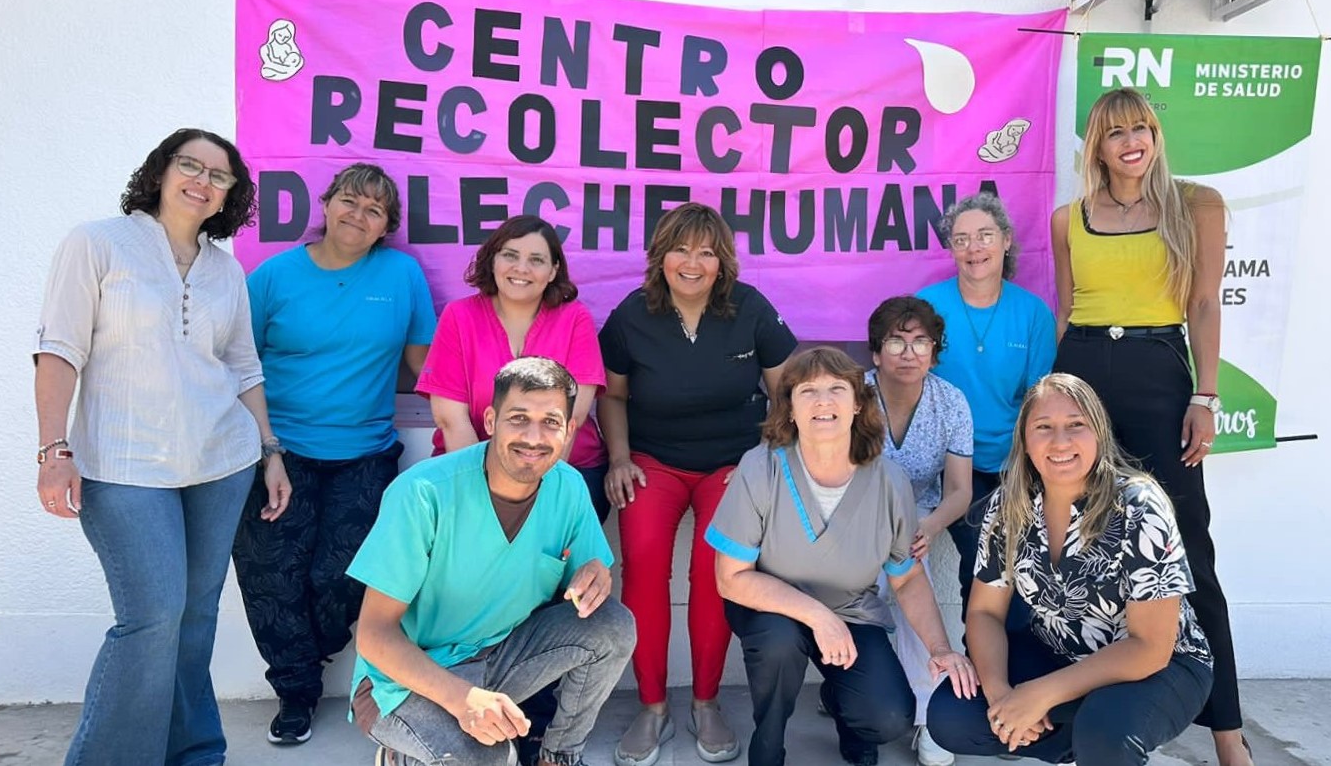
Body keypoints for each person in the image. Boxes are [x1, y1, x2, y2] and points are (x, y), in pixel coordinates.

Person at [33, 128, 291, 765]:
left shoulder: (225, 269)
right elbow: (59, 350)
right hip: (123, 467)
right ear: (160, 170)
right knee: (150, 618)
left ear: (231, 194)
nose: (202, 182)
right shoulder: (98, 243)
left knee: (194, 619)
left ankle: (196, 753)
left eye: (219, 176)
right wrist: (53, 449)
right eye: (190, 165)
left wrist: (270, 450)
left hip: (219, 463)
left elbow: (243, 365)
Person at [1050, 87, 1246, 765]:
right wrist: (1050, 403)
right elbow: (1065, 309)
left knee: (1189, 547)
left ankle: (1228, 730)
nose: (1132, 140)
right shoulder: (1066, 218)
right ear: (1096, 147)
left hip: (1159, 372)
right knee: (1087, 542)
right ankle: (1093, 709)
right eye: (1115, 131)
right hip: (1082, 377)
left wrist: (1207, 395)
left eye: (1143, 127)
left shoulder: (1197, 205)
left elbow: (1203, 303)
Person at [231, 163, 436, 746]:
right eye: (349, 201)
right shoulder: (274, 276)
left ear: (385, 228)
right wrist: (266, 447)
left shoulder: (400, 274)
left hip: (365, 453)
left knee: (344, 576)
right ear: (326, 205)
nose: (358, 215)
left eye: (374, 211)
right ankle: (295, 691)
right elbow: (237, 364)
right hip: (279, 450)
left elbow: (425, 364)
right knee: (272, 576)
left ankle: (308, 656)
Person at [348, 357, 635, 766]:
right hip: (402, 682)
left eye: (551, 422)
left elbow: (589, 575)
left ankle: (558, 756)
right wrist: (463, 700)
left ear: (569, 430)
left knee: (612, 624)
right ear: (490, 420)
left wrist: (596, 576)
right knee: (490, 758)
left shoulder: (567, 487)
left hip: (498, 658)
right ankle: (402, 753)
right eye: (518, 418)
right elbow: (374, 636)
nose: (534, 437)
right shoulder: (422, 493)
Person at [708, 348, 977, 766]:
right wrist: (819, 616)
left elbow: (906, 577)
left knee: (889, 718)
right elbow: (732, 578)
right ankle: (769, 740)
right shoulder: (761, 468)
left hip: (851, 610)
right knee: (779, 643)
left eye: (837, 389)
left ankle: (844, 709)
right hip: (772, 607)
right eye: (808, 390)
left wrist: (940, 648)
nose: (823, 401)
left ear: (857, 404)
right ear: (790, 409)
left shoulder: (889, 479)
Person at [927, 373, 1215, 765]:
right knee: (954, 716)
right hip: (1062, 651)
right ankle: (1075, 741)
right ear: (1025, 442)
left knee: (1105, 732)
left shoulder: (1139, 506)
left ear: (1098, 433)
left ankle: (1101, 742)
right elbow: (984, 612)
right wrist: (1002, 699)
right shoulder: (1009, 507)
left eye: (1075, 425)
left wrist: (1040, 694)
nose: (1060, 442)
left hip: (1161, 667)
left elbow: (1150, 648)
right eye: (1043, 428)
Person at [599, 202, 797, 766]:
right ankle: (653, 706)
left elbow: (787, 393)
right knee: (641, 564)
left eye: (705, 251)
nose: (692, 262)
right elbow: (612, 395)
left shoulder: (750, 309)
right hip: (650, 459)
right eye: (680, 249)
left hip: (731, 463)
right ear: (660, 256)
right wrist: (618, 458)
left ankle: (706, 702)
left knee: (717, 571)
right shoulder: (632, 315)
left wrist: (765, 459)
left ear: (721, 261)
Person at [417, 214, 609, 522]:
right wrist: (484, 495)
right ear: (492, 261)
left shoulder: (574, 319)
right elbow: (451, 420)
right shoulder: (459, 317)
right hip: (470, 468)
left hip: (564, 470)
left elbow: (571, 418)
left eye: (536, 259)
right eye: (510, 255)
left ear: (553, 271)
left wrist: (531, 498)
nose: (521, 269)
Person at [918, 192, 1055, 620]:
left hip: (1016, 464)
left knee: (1026, 567)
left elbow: (1041, 403)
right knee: (982, 561)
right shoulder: (927, 306)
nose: (973, 249)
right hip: (952, 464)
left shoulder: (1033, 313)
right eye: (961, 240)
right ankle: (986, 671)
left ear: (1007, 241)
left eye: (984, 236)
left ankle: (1024, 672)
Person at [863, 297, 973, 766]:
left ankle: (931, 718)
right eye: (896, 341)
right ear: (875, 352)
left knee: (911, 577)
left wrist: (927, 525)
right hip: (856, 521)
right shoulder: (853, 396)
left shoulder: (951, 402)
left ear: (934, 350)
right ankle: (857, 699)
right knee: (864, 595)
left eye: (920, 341)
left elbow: (960, 491)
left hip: (917, 523)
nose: (909, 352)